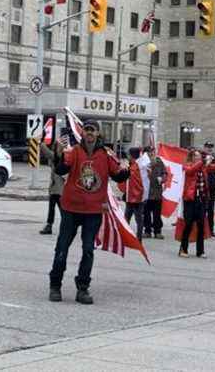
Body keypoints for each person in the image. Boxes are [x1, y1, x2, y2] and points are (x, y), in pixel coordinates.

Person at [49, 120, 129, 304]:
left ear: (99, 134)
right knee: (62, 248)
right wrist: (58, 153)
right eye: (87, 130)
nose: (90, 133)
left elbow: (117, 176)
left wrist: (127, 169)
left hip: (93, 210)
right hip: (71, 208)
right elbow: (61, 168)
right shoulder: (74, 151)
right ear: (82, 132)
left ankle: (82, 288)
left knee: (88, 250)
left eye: (93, 130)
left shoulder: (106, 154)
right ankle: (55, 285)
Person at [179, 149, 209, 258]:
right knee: (188, 225)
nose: (199, 158)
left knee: (201, 226)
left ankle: (200, 251)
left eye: (200, 157)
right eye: (196, 156)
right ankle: (183, 249)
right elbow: (190, 171)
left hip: (200, 200)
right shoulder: (187, 166)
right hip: (190, 200)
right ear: (192, 157)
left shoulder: (202, 168)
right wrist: (202, 162)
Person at [39, 140, 66, 235]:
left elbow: (47, 153)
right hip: (55, 187)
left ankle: (65, 225)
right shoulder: (57, 157)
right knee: (52, 208)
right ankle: (50, 225)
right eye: (56, 147)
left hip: (59, 189)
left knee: (62, 209)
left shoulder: (60, 157)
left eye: (58, 147)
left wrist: (41, 143)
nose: (56, 148)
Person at [121, 147, 145, 242]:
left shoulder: (136, 167)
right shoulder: (137, 165)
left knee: (134, 219)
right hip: (134, 197)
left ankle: (135, 238)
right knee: (131, 218)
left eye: (129, 155)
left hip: (135, 198)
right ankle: (128, 237)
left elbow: (133, 181)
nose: (127, 156)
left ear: (132, 156)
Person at [143, 147, 167, 240]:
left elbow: (165, 172)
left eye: (152, 152)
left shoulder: (159, 161)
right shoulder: (143, 163)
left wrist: (162, 178)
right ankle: (147, 231)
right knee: (146, 213)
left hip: (157, 192)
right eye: (148, 152)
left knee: (157, 214)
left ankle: (157, 231)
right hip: (147, 193)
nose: (151, 154)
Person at [202, 141, 215, 238]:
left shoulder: (213, 157)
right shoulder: (201, 157)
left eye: (211, 147)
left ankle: (210, 230)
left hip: (212, 188)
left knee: (210, 210)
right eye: (208, 147)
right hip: (203, 188)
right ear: (204, 147)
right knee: (202, 210)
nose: (209, 149)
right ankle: (201, 230)